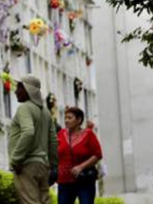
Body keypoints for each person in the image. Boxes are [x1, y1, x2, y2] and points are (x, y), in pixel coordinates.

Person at [8, 75, 59, 204]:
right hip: (43, 166)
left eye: (19, 88)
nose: (15, 91)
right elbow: (53, 140)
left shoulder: (24, 108)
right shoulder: (46, 112)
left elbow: (28, 132)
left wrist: (16, 159)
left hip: (26, 165)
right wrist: (53, 166)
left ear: (28, 89)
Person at [57, 106, 103, 204]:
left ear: (79, 120)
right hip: (64, 182)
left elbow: (98, 154)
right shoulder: (60, 134)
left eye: (70, 118)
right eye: (65, 118)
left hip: (84, 180)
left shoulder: (88, 134)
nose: (66, 120)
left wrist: (81, 167)